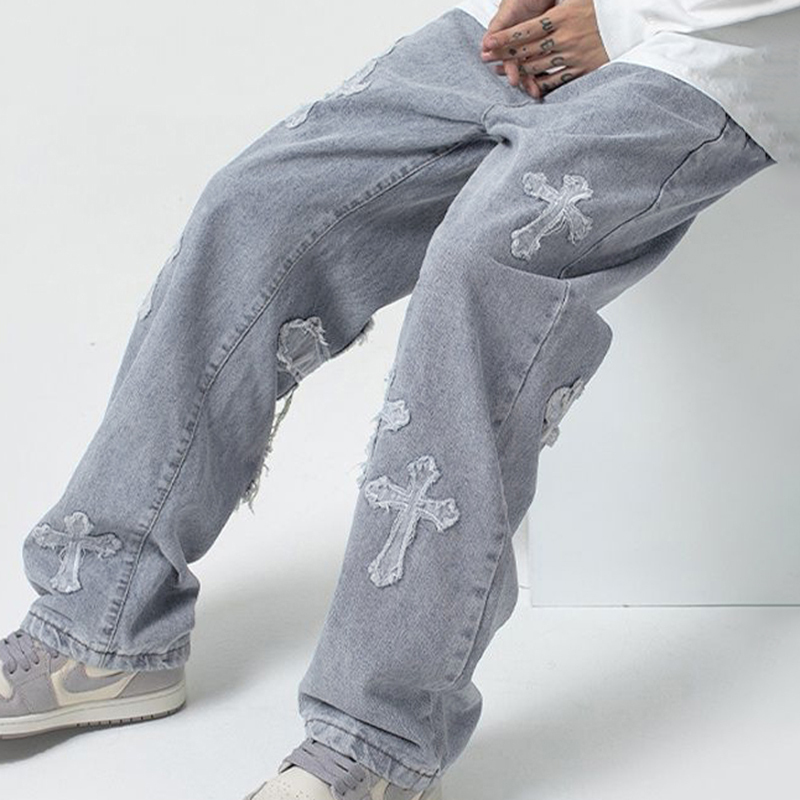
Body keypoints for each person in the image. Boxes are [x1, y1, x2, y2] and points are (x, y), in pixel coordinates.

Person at [1, 0, 797, 798]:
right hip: (550, 21)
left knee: (480, 267)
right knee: (258, 199)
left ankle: (378, 742)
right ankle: (101, 622)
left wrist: (619, 16)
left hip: (718, 46)